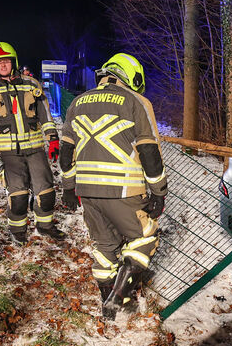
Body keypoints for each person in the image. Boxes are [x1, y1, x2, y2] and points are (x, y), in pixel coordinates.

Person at [59, 53, 168, 318]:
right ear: (132, 76)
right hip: (124, 188)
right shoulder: (137, 101)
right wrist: (159, 192)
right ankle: (119, 297)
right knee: (144, 238)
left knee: (104, 247)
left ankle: (108, 309)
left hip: (87, 191)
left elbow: (65, 151)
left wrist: (68, 187)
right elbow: (149, 150)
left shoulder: (77, 102)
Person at [0, 41, 65, 244]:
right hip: (8, 153)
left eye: (6, 61)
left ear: (13, 61)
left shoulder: (31, 84)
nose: (3, 65)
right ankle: (18, 231)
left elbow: (45, 114)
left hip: (35, 148)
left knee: (46, 192)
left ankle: (45, 226)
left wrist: (52, 138)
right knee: (18, 197)